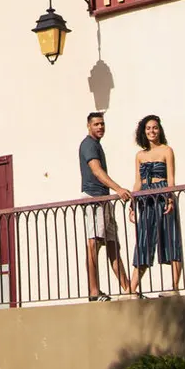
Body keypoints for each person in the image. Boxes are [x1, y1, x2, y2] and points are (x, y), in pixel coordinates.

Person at [78, 111, 134, 301]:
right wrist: (118, 188)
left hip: (104, 198)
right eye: (96, 124)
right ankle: (94, 292)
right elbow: (96, 170)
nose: (100, 127)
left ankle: (128, 289)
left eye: (102, 124)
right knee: (93, 244)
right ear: (89, 126)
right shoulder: (88, 145)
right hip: (94, 199)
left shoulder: (96, 145)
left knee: (113, 245)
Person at [129, 114, 185, 296]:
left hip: (162, 195)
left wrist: (169, 198)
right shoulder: (139, 155)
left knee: (170, 237)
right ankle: (131, 289)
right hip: (145, 199)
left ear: (159, 130)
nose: (151, 131)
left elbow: (171, 178)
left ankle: (175, 287)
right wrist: (132, 205)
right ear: (143, 132)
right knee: (143, 240)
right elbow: (137, 182)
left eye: (154, 128)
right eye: (148, 128)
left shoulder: (167, 150)